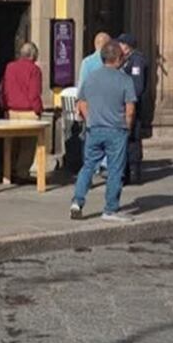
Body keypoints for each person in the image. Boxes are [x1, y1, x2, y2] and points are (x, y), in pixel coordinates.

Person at [71, 40, 137, 222]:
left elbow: (81, 103)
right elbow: (130, 109)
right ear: (118, 58)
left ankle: (77, 201)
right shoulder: (125, 79)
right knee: (115, 169)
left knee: (88, 166)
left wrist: (90, 119)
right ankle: (110, 209)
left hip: (95, 128)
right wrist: (128, 128)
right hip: (116, 129)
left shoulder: (91, 77)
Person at [0, 42, 43, 182]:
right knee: (28, 145)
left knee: (11, 143)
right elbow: (34, 92)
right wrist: (38, 109)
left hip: (11, 111)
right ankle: (22, 172)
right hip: (28, 111)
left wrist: (4, 106)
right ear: (33, 55)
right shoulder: (34, 70)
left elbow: (3, 89)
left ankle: (8, 172)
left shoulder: (10, 67)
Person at [117, 33, 148, 185]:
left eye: (120, 44)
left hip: (133, 106)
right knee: (125, 138)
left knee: (133, 138)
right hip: (124, 106)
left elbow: (138, 86)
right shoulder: (125, 60)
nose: (118, 47)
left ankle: (134, 172)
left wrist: (127, 98)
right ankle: (126, 172)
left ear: (127, 46)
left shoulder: (137, 61)